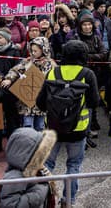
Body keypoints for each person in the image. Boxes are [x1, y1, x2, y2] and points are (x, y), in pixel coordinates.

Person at [36, 40, 100, 208]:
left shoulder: (53, 72)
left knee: (47, 165)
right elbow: (94, 102)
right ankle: (67, 201)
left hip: (52, 128)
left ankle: (45, 200)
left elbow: (40, 103)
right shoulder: (87, 74)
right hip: (78, 129)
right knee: (73, 165)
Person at [1, 36, 56, 131]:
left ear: (44, 50)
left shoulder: (51, 64)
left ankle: (39, 145)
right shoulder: (27, 62)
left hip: (41, 102)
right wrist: (9, 79)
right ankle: (29, 145)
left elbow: (55, 79)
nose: (33, 53)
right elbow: (15, 70)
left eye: (36, 51)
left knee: (40, 126)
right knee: (27, 126)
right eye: (32, 51)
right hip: (26, 102)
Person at [0, 127, 57, 208]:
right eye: (40, 154)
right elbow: (9, 205)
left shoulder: (38, 171)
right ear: (29, 154)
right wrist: (40, 190)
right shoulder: (15, 176)